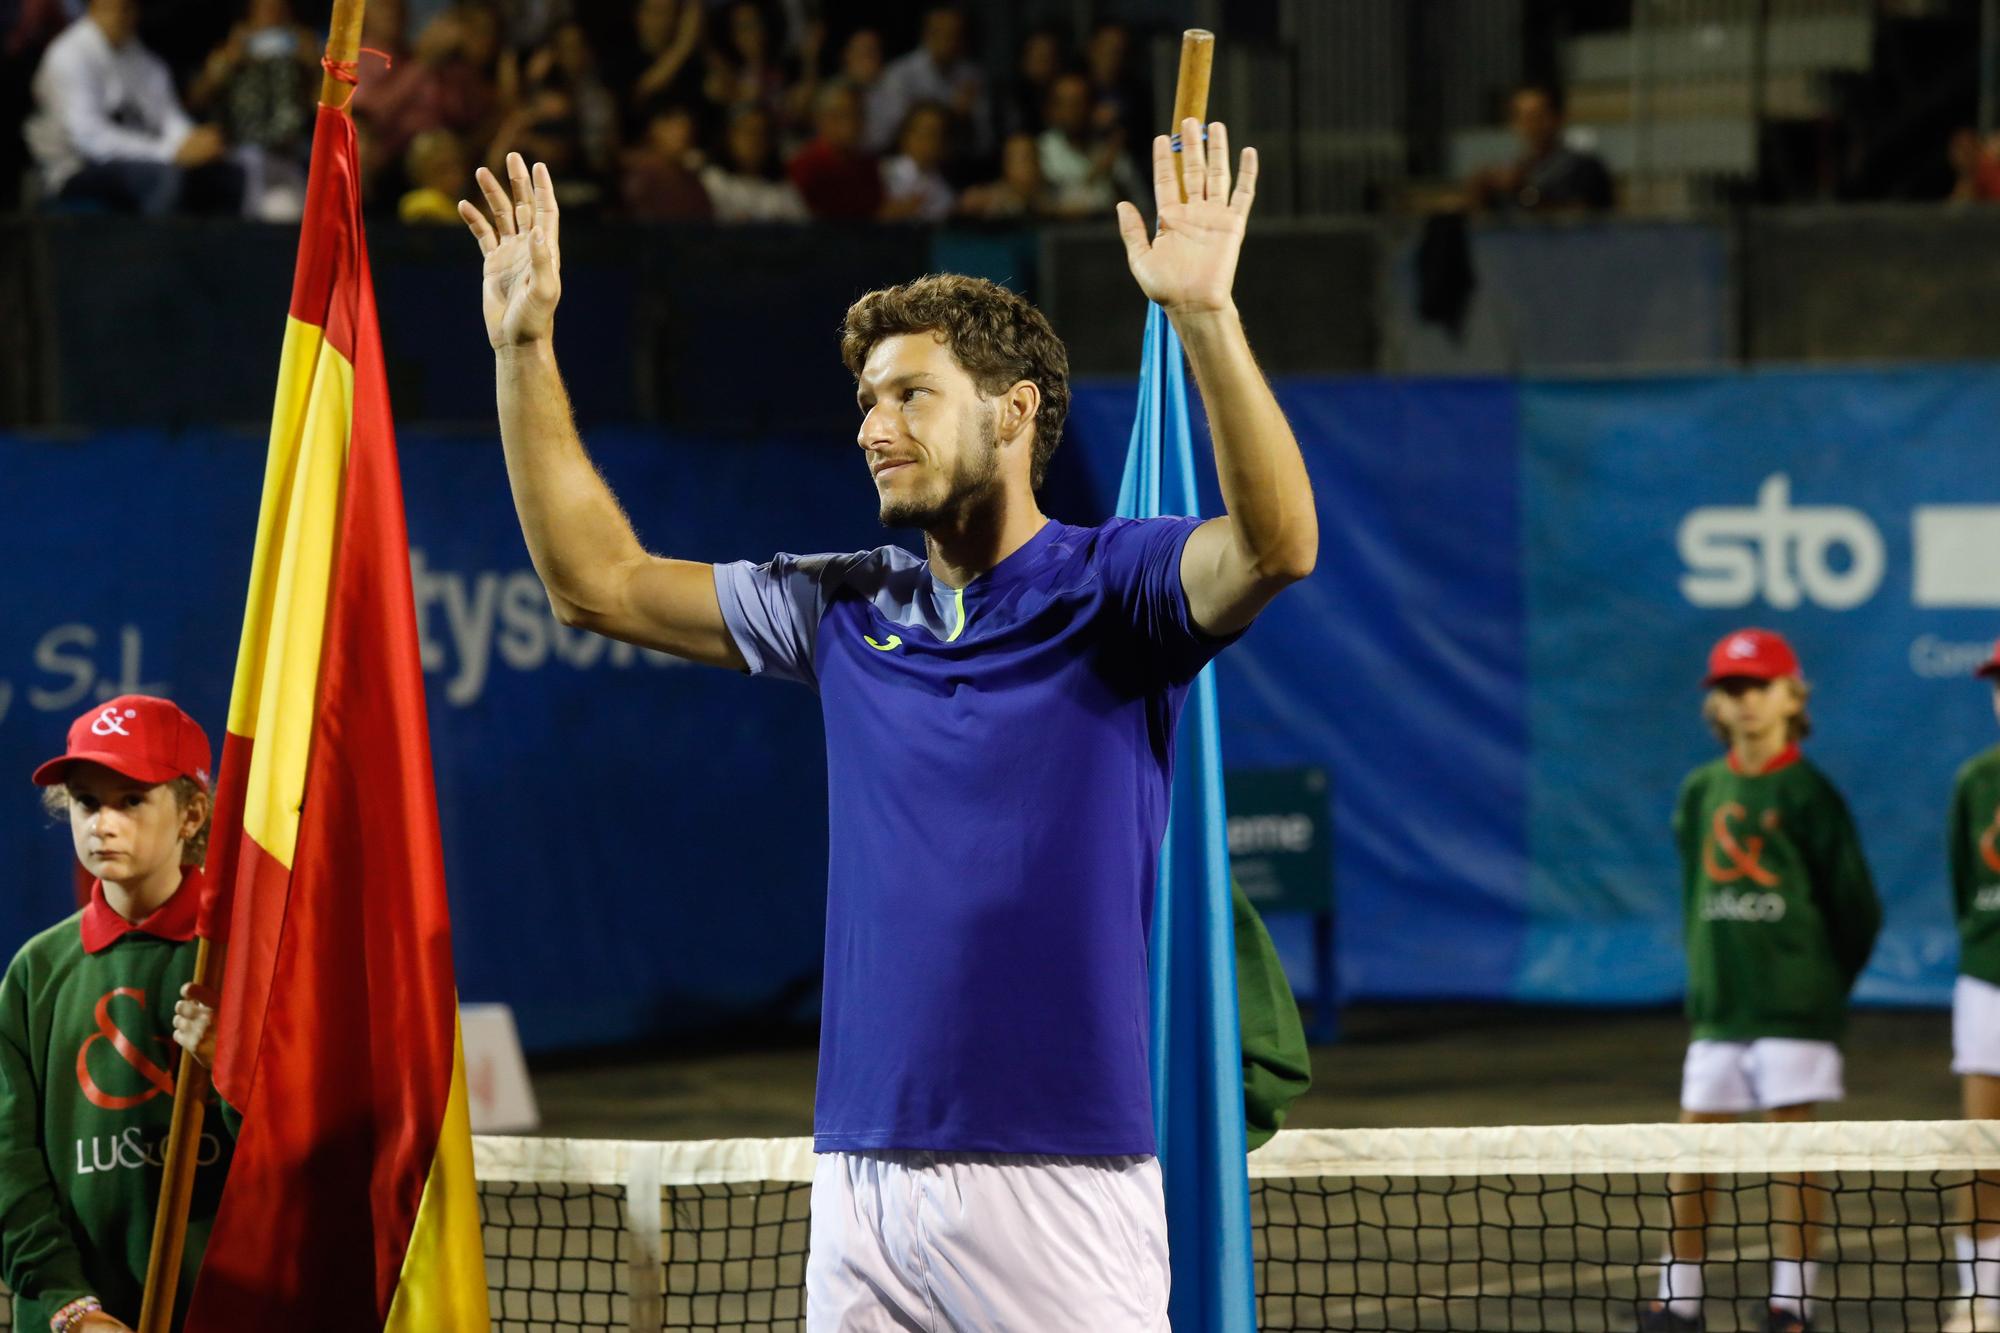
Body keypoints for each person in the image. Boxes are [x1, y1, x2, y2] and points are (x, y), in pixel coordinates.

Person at [459, 115, 1313, 1330]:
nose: (872, 426)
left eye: (912, 394)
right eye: (866, 399)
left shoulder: (1116, 586)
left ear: (1014, 414)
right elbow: (595, 581)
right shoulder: (842, 604)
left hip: (1059, 1181)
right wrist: (525, 343)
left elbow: (1277, 545)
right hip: (860, 1181)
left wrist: (1207, 320)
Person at [1641, 629, 1880, 1333]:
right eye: (1732, 689)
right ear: (1717, 703)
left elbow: (1854, 906)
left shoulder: (1810, 793)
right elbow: (1695, 890)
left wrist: (1817, 983)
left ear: (1790, 696)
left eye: (1759, 687)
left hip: (1795, 1007)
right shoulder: (1700, 790)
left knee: (1793, 1155)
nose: (1745, 702)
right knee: (1695, 1151)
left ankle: (1792, 1302)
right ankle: (1679, 1298)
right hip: (1720, 1008)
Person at [3, 696, 229, 1333]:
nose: (102, 823)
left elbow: (305, 1151)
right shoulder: (36, 971)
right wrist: (68, 1310)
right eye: (85, 802)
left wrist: (232, 1067)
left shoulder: (240, 953)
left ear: (191, 812)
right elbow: (9, 1171)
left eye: (131, 800)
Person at [24, 0, 243, 215]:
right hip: (74, 169)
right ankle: (155, 251)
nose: (120, 16)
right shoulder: (69, 54)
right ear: (94, 8)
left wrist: (194, 142)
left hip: (141, 160)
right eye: (112, 8)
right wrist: (172, 152)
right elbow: (90, 140)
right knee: (164, 179)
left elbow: (168, 118)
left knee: (225, 175)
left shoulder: (142, 59)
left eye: (127, 8)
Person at [1946, 639, 2000, 1333]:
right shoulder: (1976, 779)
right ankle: (1982, 1295)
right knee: (1980, 1143)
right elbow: (1968, 881)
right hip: (1987, 981)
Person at [1466, 83, 1614, 214]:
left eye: (1536, 117)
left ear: (1557, 117)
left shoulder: (1584, 168)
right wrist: (1481, 195)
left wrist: (1523, 192)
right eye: (1520, 117)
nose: (1528, 125)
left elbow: (1584, 220)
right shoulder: (1515, 168)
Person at [865, 4, 987, 159]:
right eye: (941, 33)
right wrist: (953, 115)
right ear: (927, 34)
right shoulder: (900, 73)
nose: (949, 41)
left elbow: (984, 138)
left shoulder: (972, 74)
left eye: (955, 34)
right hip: (906, 160)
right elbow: (891, 130)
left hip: (957, 159)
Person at [1038, 68, 1141, 219]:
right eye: (1063, 103)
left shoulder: (1110, 151)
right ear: (1052, 109)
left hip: (1108, 234)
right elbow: (1044, 204)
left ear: (1091, 107)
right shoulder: (1042, 150)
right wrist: (1099, 172)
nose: (1071, 111)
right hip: (1057, 237)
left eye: (1077, 103)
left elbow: (1138, 202)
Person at [787, 83, 881, 220]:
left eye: (858, 114)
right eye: (843, 115)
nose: (852, 124)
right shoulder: (805, 166)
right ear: (821, 119)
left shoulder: (868, 164)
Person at [700, 102, 807, 222]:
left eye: (761, 133)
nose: (754, 140)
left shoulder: (782, 187)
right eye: (747, 132)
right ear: (729, 136)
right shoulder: (712, 181)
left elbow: (801, 231)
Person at [880, 100, 954, 221]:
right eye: (920, 131)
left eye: (933, 134)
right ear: (905, 135)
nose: (925, 141)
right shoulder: (881, 172)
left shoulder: (945, 194)